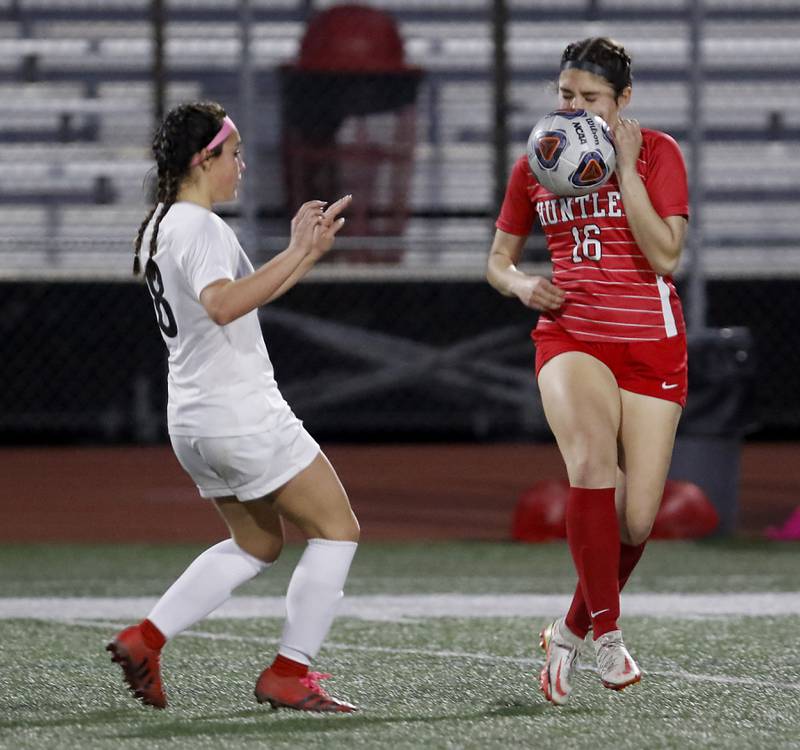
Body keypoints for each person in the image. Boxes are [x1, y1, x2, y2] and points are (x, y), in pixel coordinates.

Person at [107, 101, 360, 713]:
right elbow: (224, 304)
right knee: (338, 531)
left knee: (258, 545)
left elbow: (241, 298)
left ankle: (146, 638)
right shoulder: (200, 227)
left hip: (193, 420)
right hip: (239, 412)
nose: (242, 166)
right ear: (203, 159)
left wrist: (305, 252)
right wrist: (298, 250)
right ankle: (289, 673)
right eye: (234, 153)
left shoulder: (164, 223)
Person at [487, 38, 689, 705]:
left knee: (636, 523)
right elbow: (499, 261)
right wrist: (522, 287)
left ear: (622, 101)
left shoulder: (658, 152)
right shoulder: (536, 161)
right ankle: (608, 637)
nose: (572, 108)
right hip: (572, 337)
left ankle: (566, 634)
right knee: (592, 463)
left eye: (590, 98)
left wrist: (626, 168)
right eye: (565, 95)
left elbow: (665, 256)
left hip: (652, 347)